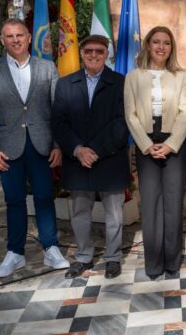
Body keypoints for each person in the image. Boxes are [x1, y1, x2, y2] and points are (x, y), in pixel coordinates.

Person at [0, 18, 69, 278]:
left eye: (19, 35)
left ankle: (51, 248)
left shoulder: (47, 68)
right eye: (9, 36)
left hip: (42, 146)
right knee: (14, 201)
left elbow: (58, 111)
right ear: (2, 40)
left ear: (28, 38)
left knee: (45, 198)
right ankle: (15, 253)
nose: (15, 40)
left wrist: (58, 144)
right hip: (6, 150)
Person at [52, 35, 130, 279]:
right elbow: (59, 122)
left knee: (114, 214)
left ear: (107, 54)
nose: (94, 55)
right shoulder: (65, 84)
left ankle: (113, 258)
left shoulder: (120, 82)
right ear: (81, 53)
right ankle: (84, 256)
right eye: (89, 51)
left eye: (99, 51)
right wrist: (78, 150)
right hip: (78, 160)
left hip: (109, 157)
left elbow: (122, 122)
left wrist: (94, 149)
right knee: (80, 212)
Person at [125, 27, 186, 279]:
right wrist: (145, 144)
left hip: (174, 143)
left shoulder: (182, 76)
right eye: (156, 42)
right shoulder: (133, 77)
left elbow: (185, 112)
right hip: (145, 143)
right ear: (148, 45)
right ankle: (153, 264)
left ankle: (172, 262)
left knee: (173, 202)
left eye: (166, 43)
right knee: (151, 202)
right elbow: (129, 114)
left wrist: (171, 144)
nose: (161, 47)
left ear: (171, 47)